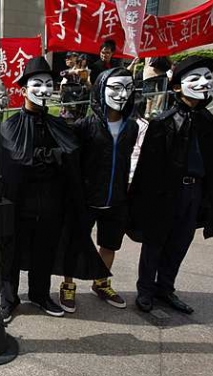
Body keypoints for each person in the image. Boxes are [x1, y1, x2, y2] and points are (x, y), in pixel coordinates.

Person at [128, 56, 213, 314]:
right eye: (195, 78)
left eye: (207, 77)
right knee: (155, 241)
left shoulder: (210, 123)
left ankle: (165, 288)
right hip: (166, 193)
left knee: (180, 242)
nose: (204, 83)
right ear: (176, 87)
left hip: (195, 192)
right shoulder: (163, 123)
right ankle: (145, 290)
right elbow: (148, 170)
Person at [0, 57, 79, 320]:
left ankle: (40, 294)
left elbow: (69, 155)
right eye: (37, 84)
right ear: (23, 90)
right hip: (19, 203)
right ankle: (8, 298)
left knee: (45, 250)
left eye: (48, 84)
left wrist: (48, 158)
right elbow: (18, 159)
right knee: (10, 253)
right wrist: (52, 157)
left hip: (50, 203)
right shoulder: (10, 126)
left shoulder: (58, 125)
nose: (44, 90)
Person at [59, 68, 138, 313]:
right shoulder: (84, 126)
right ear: (101, 90)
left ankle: (101, 283)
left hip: (116, 198)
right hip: (86, 198)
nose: (122, 94)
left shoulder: (132, 127)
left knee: (110, 244)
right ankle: (68, 285)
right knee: (75, 243)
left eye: (127, 88)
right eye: (115, 88)